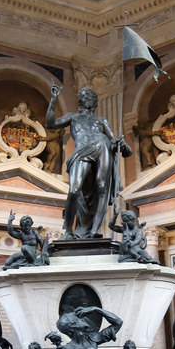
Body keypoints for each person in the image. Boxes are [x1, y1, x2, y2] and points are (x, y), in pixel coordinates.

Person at [45, 82, 131, 239]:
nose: (87, 98)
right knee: (74, 190)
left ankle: (94, 231)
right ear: (80, 101)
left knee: (102, 186)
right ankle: (68, 232)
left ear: (95, 101)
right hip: (82, 151)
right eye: (83, 96)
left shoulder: (102, 121)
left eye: (90, 96)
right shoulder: (73, 117)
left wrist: (120, 144)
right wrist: (54, 99)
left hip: (102, 146)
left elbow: (113, 142)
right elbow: (50, 123)